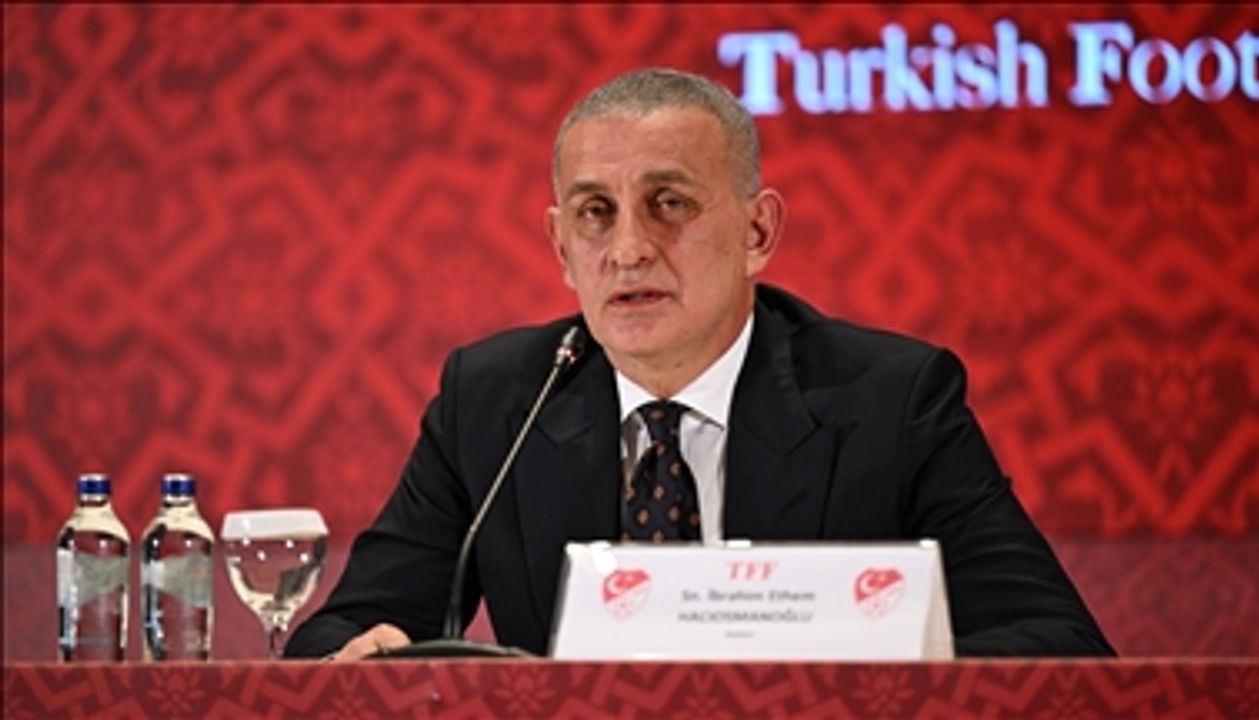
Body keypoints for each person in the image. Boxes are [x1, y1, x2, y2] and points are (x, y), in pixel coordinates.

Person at [285, 67, 1113, 660]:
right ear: (562, 248)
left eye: (669, 204)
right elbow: (343, 636)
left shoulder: (891, 402)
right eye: (596, 213)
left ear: (758, 232)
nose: (628, 248)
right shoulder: (495, 401)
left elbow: (1059, 651)